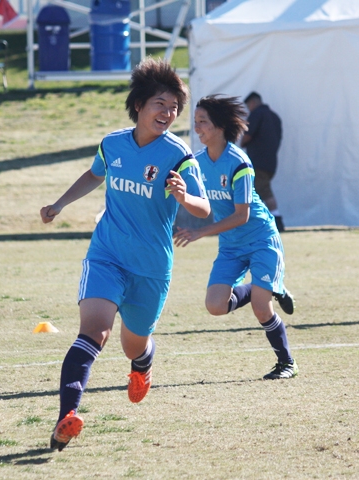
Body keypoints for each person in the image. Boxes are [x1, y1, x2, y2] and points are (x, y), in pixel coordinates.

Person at [40, 58, 210, 450]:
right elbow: (94, 173)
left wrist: (186, 196)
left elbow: (204, 208)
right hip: (107, 255)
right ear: (138, 105)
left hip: (151, 267)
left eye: (174, 108)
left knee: (132, 344)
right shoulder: (113, 143)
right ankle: (66, 416)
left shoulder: (178, 153)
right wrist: (60, 203)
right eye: (160, 104)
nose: (167, 113)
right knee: (94, 332)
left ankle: (143, 362)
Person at [174, 94, 297, 380]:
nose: (197, 128)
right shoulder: (198, 163)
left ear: (218, 126)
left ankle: (286, 363)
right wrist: (181, 195)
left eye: (202, 122)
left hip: (261, 239)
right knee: (215, 306)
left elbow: (241, 215)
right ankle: (267, 287)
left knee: (260, 307)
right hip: (231, 245)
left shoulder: (239, 162)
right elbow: (200, 203)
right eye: (196, 122)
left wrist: (199, 232)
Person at [241, 92, 284, 232]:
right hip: (271, 162)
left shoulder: (256, 114)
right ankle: (262, 221)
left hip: (257, 161)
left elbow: (247, 136)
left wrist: (241, 143)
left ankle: (277, 220)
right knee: (259, 191)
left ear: (252, 103)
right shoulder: (275, 117)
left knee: (262, 191)